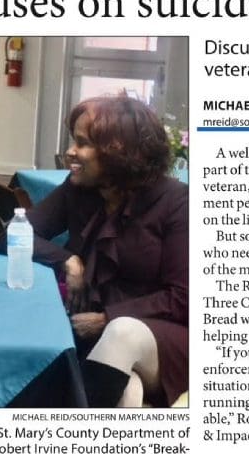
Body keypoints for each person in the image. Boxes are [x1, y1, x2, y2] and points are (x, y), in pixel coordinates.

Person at [25, 96, 187, 407]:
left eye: (82, 143)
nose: (71, 151)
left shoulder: (177, 203)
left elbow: (183, 298)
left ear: (117, 151)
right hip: (97, 338)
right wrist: (67, 260)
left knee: (122, 333)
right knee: (128, 392)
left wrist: (106, 318)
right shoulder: (80, 189)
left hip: (166, 338)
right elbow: (15, 233)